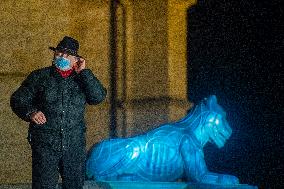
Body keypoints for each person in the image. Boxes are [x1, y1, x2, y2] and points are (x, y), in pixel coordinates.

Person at [10, 36, 107, 189]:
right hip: (45, 144)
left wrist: (84, 73)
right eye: (59, 53)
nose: (61, 56)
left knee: (74, 185)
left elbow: (98, 97)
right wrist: (31, 112)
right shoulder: (39, 76)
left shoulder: (82, 78)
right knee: (44, 185)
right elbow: (18, 99)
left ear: (76, 60)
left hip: (74, 145)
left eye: (67, 55)